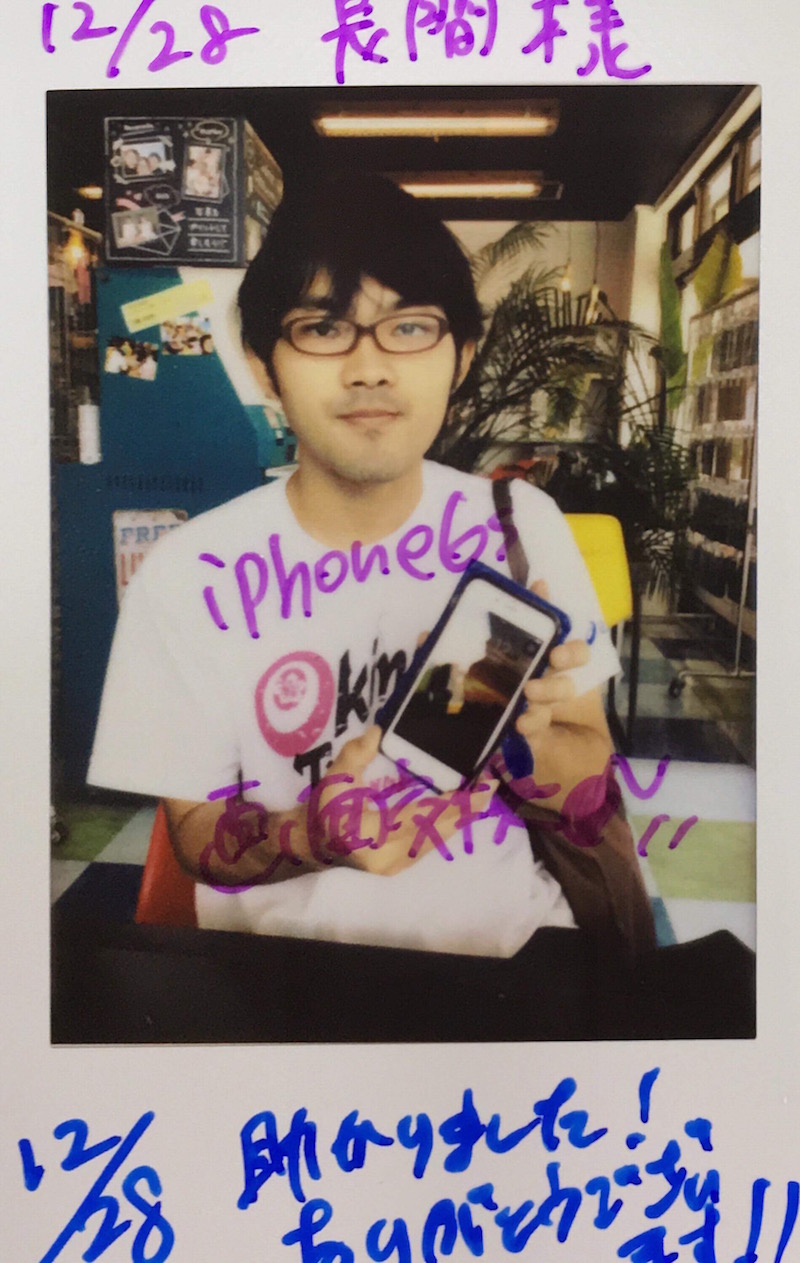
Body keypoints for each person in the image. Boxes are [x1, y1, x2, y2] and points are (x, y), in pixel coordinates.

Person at [88, 171, 626, 958]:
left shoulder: (521, 525)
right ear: (263, 364)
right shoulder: (186, 575)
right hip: (281, 975)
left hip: (508, 953)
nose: (369, 367)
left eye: (409, 327)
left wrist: (526, 740)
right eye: (322, 328)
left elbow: (588, 779)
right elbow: (196, 834)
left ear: (461, 356)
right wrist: (311, 834)